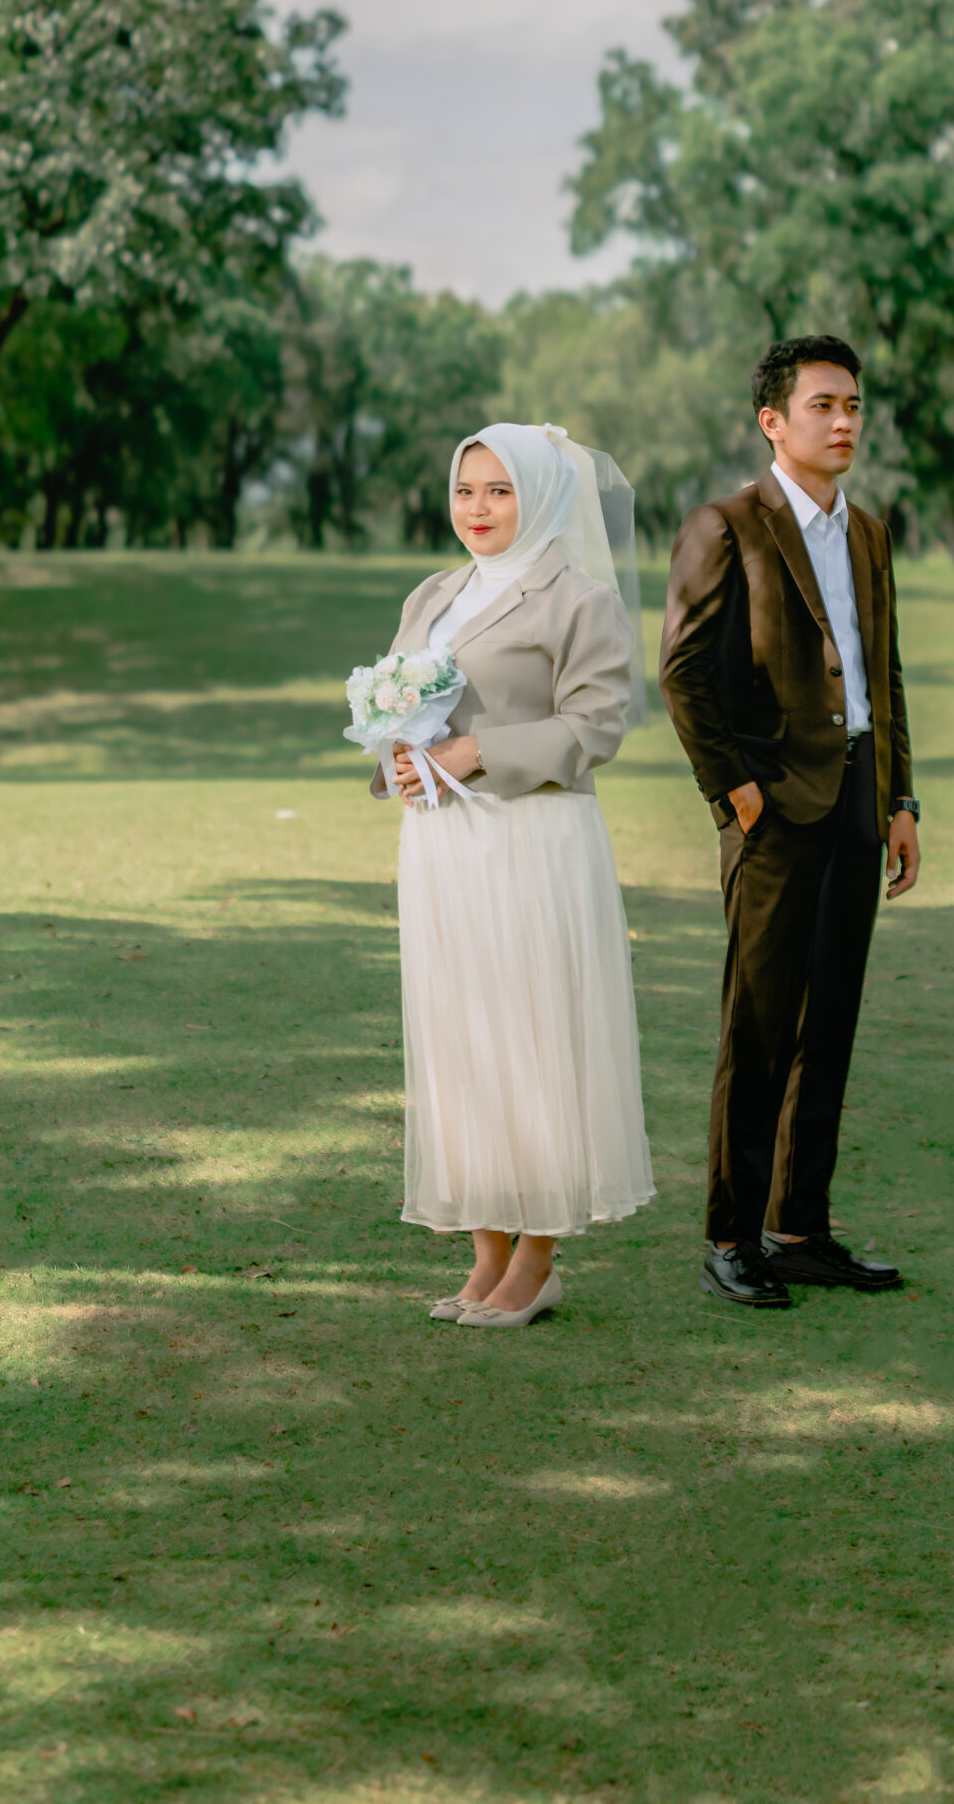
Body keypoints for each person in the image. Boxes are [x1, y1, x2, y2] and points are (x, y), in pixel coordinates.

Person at [371, 423, 655, 1329]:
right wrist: (397, 757)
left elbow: (595, 726)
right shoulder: (434, 593)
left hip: (532, 842)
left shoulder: (578, 600)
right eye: (465, 490)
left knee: (535, 1039)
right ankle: (485, 1252)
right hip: (441, 845)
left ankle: (536, 1258)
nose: (478, 509)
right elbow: (395, 702)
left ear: (539, 497)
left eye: (499, 490)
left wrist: (474, 751)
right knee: (464, 1040)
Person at [659, 336, 920, 1308]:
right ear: (772, 421)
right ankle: (731, 1237)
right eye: (823, 405)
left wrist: (900, 800)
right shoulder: (726, 526)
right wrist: (733, 790)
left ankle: (800, 1227)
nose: (844, 421)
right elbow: (681, 671)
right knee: (759, 1027)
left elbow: (884, 674)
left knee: (830, 1022)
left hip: (857, 802)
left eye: (853, 405)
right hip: (771, 809)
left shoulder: (870, 534)